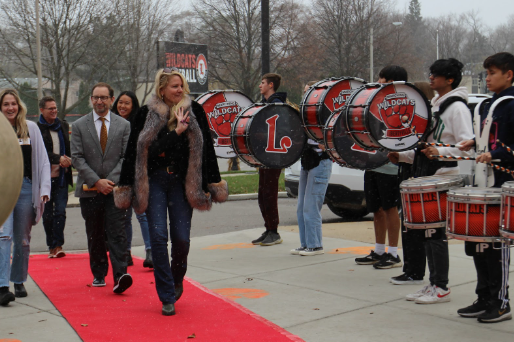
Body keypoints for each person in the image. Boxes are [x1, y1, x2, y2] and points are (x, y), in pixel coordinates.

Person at [114, 68, 228, 316]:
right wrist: (176, 131)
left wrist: (213, 182)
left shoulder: (194, 111)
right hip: (154, 181)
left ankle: (177, 279)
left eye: (181, 86)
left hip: (181, 182)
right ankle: (166, 295)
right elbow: (140, 152)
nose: (180, 90)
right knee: (157, 237)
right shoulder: (146, 113)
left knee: (181, 239)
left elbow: (206, 150)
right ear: (162, 88)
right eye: (175, 86)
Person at [389, 58, 474, 304]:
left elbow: (467, 148)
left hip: (443, 177)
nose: (431, 78)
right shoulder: (435, 106)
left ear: (449, 79)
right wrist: (402, 156)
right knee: (427, 233)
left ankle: (441, 286)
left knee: (435, 234)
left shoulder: (456, 108)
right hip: (427, 175)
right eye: (431, 73)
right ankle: (433, 283)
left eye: (436, 75)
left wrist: (441, 153)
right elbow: (425, 146)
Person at [458, 52, 514, 323]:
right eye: (486, 74)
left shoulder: (512, 104)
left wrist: (497, 154)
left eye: (492, 74)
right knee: (479, 245)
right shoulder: (489, 105)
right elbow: (491, 138)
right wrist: (473, 142)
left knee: (497, 246)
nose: (487, 79)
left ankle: (501, 302)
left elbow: (507, 146)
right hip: (482, 184)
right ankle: (484, 297)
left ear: (509, 74)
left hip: (503, 184)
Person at [70, 82, 133, 294]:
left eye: (103, 97)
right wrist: (97, 181)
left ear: (111, 100)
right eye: (96, 97)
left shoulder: (123, 125)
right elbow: (77, 158)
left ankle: (120, 275)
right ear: (91, 99)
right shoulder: (79, 125)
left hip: (115, 190)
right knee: (95, 233)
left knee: (117, 233)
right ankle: (99, 273)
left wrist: (110, 181)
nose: (99, 101)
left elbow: (126, 157)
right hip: (89, 190)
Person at [0, 89, 51, 305]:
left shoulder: (31, 129)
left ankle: (18, 279)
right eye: (5, 104)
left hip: (27, 188)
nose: (10, 108)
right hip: (3, 189)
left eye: (13, 104)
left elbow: (43, 161)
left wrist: (45, 189)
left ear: (19, 106)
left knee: (22, 239)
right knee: (3, 237)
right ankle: (2, 286)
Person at [355, 66, 406, 269]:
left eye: (382, 80)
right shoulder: (376, 103)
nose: (379, 83)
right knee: (375, 208)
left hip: (390, 166)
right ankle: (378, 250)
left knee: (390, 208)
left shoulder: (403, 105)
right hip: (373, 163)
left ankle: (393, 253)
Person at [112, 91, 152, 268]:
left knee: (142, 214)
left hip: (138, 173)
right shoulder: (112, 123)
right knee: (124, 216)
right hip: (120, 175)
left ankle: (150, 251)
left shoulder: (140, 122)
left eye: (127, 103)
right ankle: (126, 252)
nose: (123, 106)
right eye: (120, 102)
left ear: (133, 105)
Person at [291, 81, 332, 256]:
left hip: (320, 162)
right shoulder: (305, 114)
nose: (306, 95)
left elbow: (336, 133)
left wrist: (326, 144)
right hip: (307, 161)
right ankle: (306, 243)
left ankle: (315, 245)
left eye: (310, 92)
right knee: (301, 207)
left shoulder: (325, 112)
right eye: (305, 92)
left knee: (311, 206)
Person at [251, 73, 287, 246]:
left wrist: (258, 135)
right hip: (265, 155)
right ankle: (268, 229)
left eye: (262, 82)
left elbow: (277, 131)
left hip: (274, 155)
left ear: (271, 85)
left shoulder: (277, 104)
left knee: (269, 193)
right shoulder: (265, 104)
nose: (260, 85)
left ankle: (274, 231)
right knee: (263, 194)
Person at [37, 96, 72, 259]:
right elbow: (39, 152)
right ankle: (51, 244)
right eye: (50, 108)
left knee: (60, 212)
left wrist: (69, 159)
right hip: (44, 179)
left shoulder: (63, 126)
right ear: (41, 110)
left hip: (62, 179)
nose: (54, 111)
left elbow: (70, 148)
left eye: (55, 107)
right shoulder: (37, 129)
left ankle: (58, 245)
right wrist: (57, 158)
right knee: (48, 215)